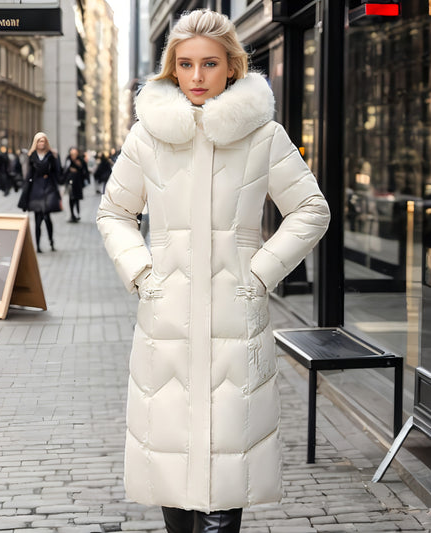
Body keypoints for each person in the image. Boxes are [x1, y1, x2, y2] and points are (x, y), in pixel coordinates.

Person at [96, 9, 330, 533]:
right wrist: (142, 274)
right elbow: (114, 211)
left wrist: (260, 273)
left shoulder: (263, 135)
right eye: (185, 64)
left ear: (231, 68)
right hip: (166, 324)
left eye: (209, 64)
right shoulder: (148, 136)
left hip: (235, 320)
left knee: (229, 466)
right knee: (172, 468)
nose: (197, 76)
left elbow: (312, 209)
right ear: (171, 70)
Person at [18, 132, 61, 253]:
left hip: (48, 188)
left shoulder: (51, 155)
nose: (41, 143)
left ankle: (51, 241)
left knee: (47, 218)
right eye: (39, 141)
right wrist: (25, 193)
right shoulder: (31, 156)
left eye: (43, 141)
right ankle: (37, 246)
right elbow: (28, 175)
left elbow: (57, 172)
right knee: (37, 219)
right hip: (36, 189)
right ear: (36, 143)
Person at [63, 147, 88, 222]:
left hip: (78, 182)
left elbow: (84, 171)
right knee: (71, 198)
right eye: (72, 153)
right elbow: (65, 169)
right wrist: (70, 170)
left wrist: (79, 166)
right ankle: (72, 215)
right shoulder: (68, 159)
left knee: (77, 199)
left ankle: (77, 214)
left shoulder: (80, 160)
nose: (73, 155)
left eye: (75, 153)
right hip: (70, 182)